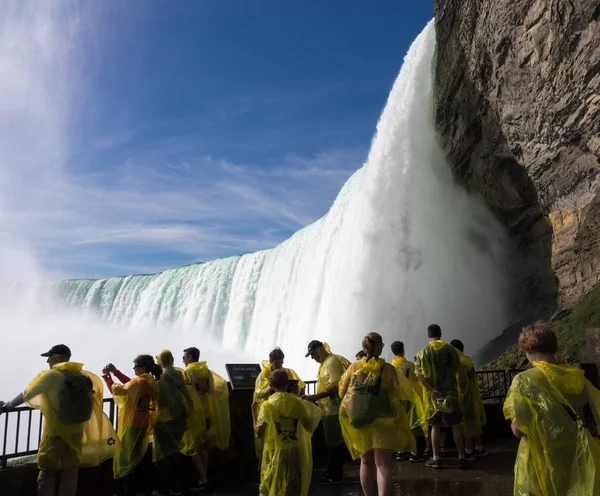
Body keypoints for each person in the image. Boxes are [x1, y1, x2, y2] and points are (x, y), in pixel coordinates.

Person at [0, 344, 119, 496]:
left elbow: (26, 394)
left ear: (58, 358)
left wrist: (7, 406)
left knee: (47, 470)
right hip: (76, 429)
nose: (48, 361)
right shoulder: (82, 376)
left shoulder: (52, 376)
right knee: (70, 470)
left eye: (49, 358)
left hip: (55, 432)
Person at [504, 322, 600, 495]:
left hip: (543, 457)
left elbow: (518, 430)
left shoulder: (524, 381)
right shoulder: (576, 376)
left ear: (527, 349)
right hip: (577, 455)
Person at [339, 333, 414, 496]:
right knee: (383, 464)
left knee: (365, 462)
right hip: (383, 421)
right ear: (378, 346)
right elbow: (396, 395)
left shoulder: (354, 368)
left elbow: (342, 392)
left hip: (360, 420)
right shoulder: (388, 369)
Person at [251, 369, 321, 496]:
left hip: (277, 452)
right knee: (294, 486)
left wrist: (254, 412)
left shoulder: (267, 406)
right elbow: (308, 426)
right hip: (296, 450)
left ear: (271, 387)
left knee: (275, 486)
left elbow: (258, 433)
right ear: (288, 384)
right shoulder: (298, 403)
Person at [102, 355, 160, 496]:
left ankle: (131, 490)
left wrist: (107, 377)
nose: (134, 368)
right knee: (138, 456)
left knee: (126, 458)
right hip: (144, 422)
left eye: (136, 366)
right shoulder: (149, 380)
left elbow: (119, 390)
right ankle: (142, 489)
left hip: (132, 423)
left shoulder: (139, 382)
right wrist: (116, 372)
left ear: (143, 368)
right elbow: (131, 385)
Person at [153, 349, 205, 496]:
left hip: (166, 419)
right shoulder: (178, 373)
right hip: (181, 417)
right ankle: (177, 487)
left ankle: (166, 489)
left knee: (163, 455)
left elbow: (162, 397)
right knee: (175, 452)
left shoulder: (163, 376)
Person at [415, 324, 467, 469]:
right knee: (455, 425)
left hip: (433, 396)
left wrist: (432, 390)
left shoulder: (423, 353)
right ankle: (462, 457)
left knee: (435, 426)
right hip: (451, 393)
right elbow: (459, 371)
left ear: (428, 335)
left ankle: (436, 458)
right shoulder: (451, 350)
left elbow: (419, 376)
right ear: (441, 333)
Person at [302, 340, 350, 484]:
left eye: (313, 354)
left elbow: (335, 387)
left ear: (320, 350)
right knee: (331, 443)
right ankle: (331, 470)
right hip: (328, 410)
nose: (313, 357)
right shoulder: (325, 363)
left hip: (335, 409)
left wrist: (315, 397)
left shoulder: (331, 363)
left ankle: (336, 474)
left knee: (335, 443)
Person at [182, 346, 231, 489]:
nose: (183, 361)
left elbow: (185, 392)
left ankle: (202, 477)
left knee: (193, 447)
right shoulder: (206, 371)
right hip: (208, 411)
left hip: (195, 414)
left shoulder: (188, 372)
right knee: (204, 445)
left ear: (190, 358)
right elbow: (213, 388)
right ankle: (205, 476)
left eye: (184, 358)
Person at [253, 348, 305, 460]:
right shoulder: (264, 375)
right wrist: (271, 390)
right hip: (270, 411)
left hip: (286, 409)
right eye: (277, 362)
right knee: (268, 438)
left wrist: (295, 389)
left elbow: (301, 389)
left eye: (281, 362)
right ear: (271, 361)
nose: (279, 365)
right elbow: (258, 392)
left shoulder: (288, 372)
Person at [391, 341, 427, 462]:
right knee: (412, 425)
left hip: (396, 399)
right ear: (403, 350)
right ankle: (414, 452)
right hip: (409, 399)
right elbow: (416, 382)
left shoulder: (390, 367)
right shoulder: (410, 365)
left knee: (400, 425)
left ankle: (401, 451)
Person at [450, 339, 486, 458]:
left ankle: (468, 450)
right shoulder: (468, 361)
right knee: (475, 420)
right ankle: (479, 447)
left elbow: (460, 383)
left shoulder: (459, 363)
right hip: (474, 395)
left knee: (466, 424)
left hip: (464, 397)